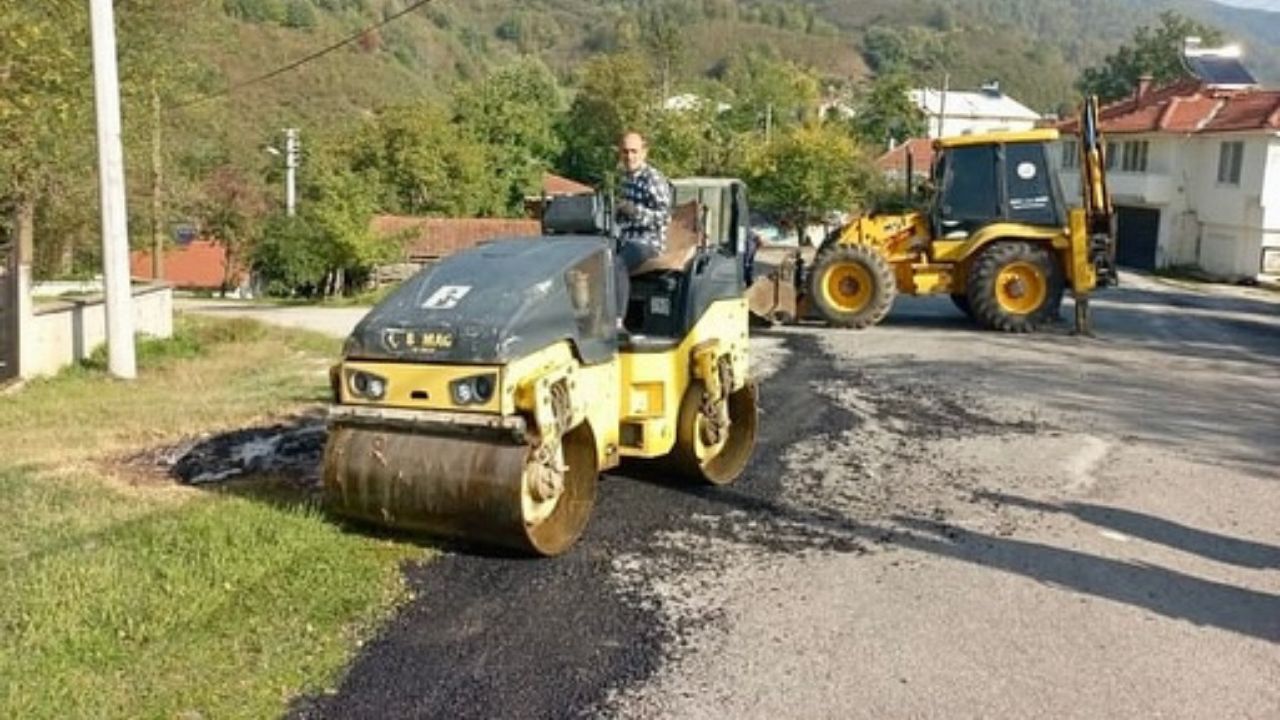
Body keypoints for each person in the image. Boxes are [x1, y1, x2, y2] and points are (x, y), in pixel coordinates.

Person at [613, 131, 671, 329]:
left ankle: (617, 321)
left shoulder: (652, 179)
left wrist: (635, 211)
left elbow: (664, 216)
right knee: (595, 258)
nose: (629, 156)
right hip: (626, 239)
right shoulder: (625, 179)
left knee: (617, 263)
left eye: (634, 151)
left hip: (648, 243)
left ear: (644, 152)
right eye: (625, 151)